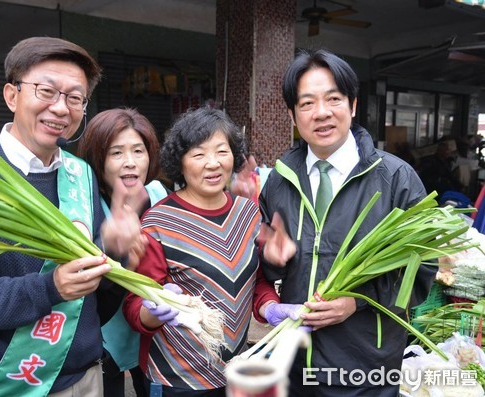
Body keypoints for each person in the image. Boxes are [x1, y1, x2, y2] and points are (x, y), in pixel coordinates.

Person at [0, 37, 147, 397]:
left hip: (86, 378)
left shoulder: (80, 174)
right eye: (46, 91)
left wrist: (115, 251)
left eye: (75, 98)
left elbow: (91, 294)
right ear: (12, 95)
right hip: (7, 382)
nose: (61, 108)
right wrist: (49, 288)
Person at [258, 49, 435, 396]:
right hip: (295, 363)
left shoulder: (395, 178)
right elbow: (267, 274)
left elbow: (422, 269)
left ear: (353, 105)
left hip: (366, 366)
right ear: (292, 115)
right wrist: (270, 257)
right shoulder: (279, 181)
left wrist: (358, 300)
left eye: (333, 99)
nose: (321, 113)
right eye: (307, 103)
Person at [123, 107, 288, 397]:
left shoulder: (249, 214)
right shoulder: (157, 222)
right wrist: (155, 312)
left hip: (237, 369)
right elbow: (135, 305)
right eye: (198, 155)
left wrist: (271, 307)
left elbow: (256, 283)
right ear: (180, 163)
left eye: (221, 151)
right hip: (177, 379)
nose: (212, 164)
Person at [76, 108, 168, 397]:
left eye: (138, 151)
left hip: (155, 332)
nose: (130, 162)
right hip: (105, 340)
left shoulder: (157, 195)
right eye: (116, 153)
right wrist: (112, 249)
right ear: (97, 158)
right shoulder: (83, 205)